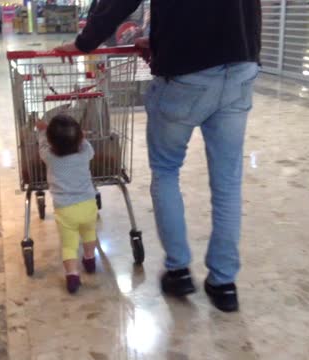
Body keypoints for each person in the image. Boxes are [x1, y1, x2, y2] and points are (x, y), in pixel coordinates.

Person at [56, 0, 261, 312]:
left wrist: (85, 43)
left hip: (186, 73)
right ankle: (224, 284)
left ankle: (178, 271)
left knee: (166, 171)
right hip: (241, 64)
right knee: (228, 182)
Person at [37, 115, 98, 294]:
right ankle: (90, 259)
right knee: (89, 234)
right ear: (79, 138)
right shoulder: (85, 153)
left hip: (65, 210)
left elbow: (42, 147)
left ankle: (72, 275)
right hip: (88, 204)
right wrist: (83, 138)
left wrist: (42, 132)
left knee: (69, 245)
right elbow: (89, 148)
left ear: (51, 141)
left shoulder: (49, 157)